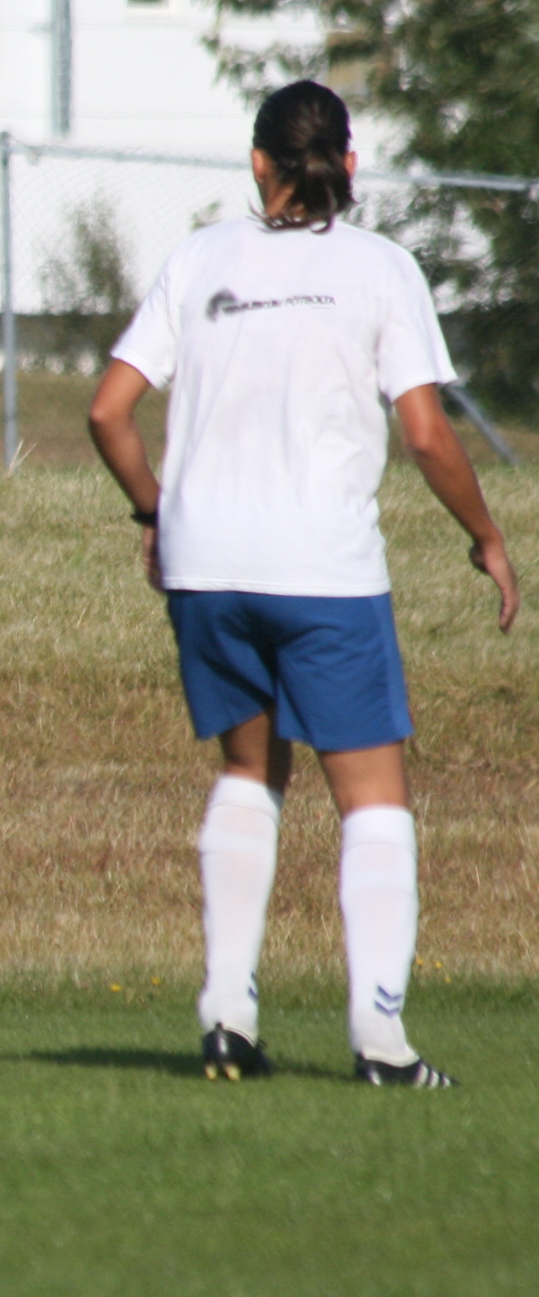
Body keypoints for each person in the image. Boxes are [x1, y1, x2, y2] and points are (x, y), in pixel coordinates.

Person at [89, 80, 517, 1089]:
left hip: (206, 569)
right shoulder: (379, 267)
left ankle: (227, 1020)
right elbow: (425, 433)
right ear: (350, 165)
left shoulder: (198, 258)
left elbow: (108, 410)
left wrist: (156, 514)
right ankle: (381, 1041)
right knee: (371, 800)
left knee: (248, 776)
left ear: (257, 163)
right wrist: (485, 535)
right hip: (321, 570)